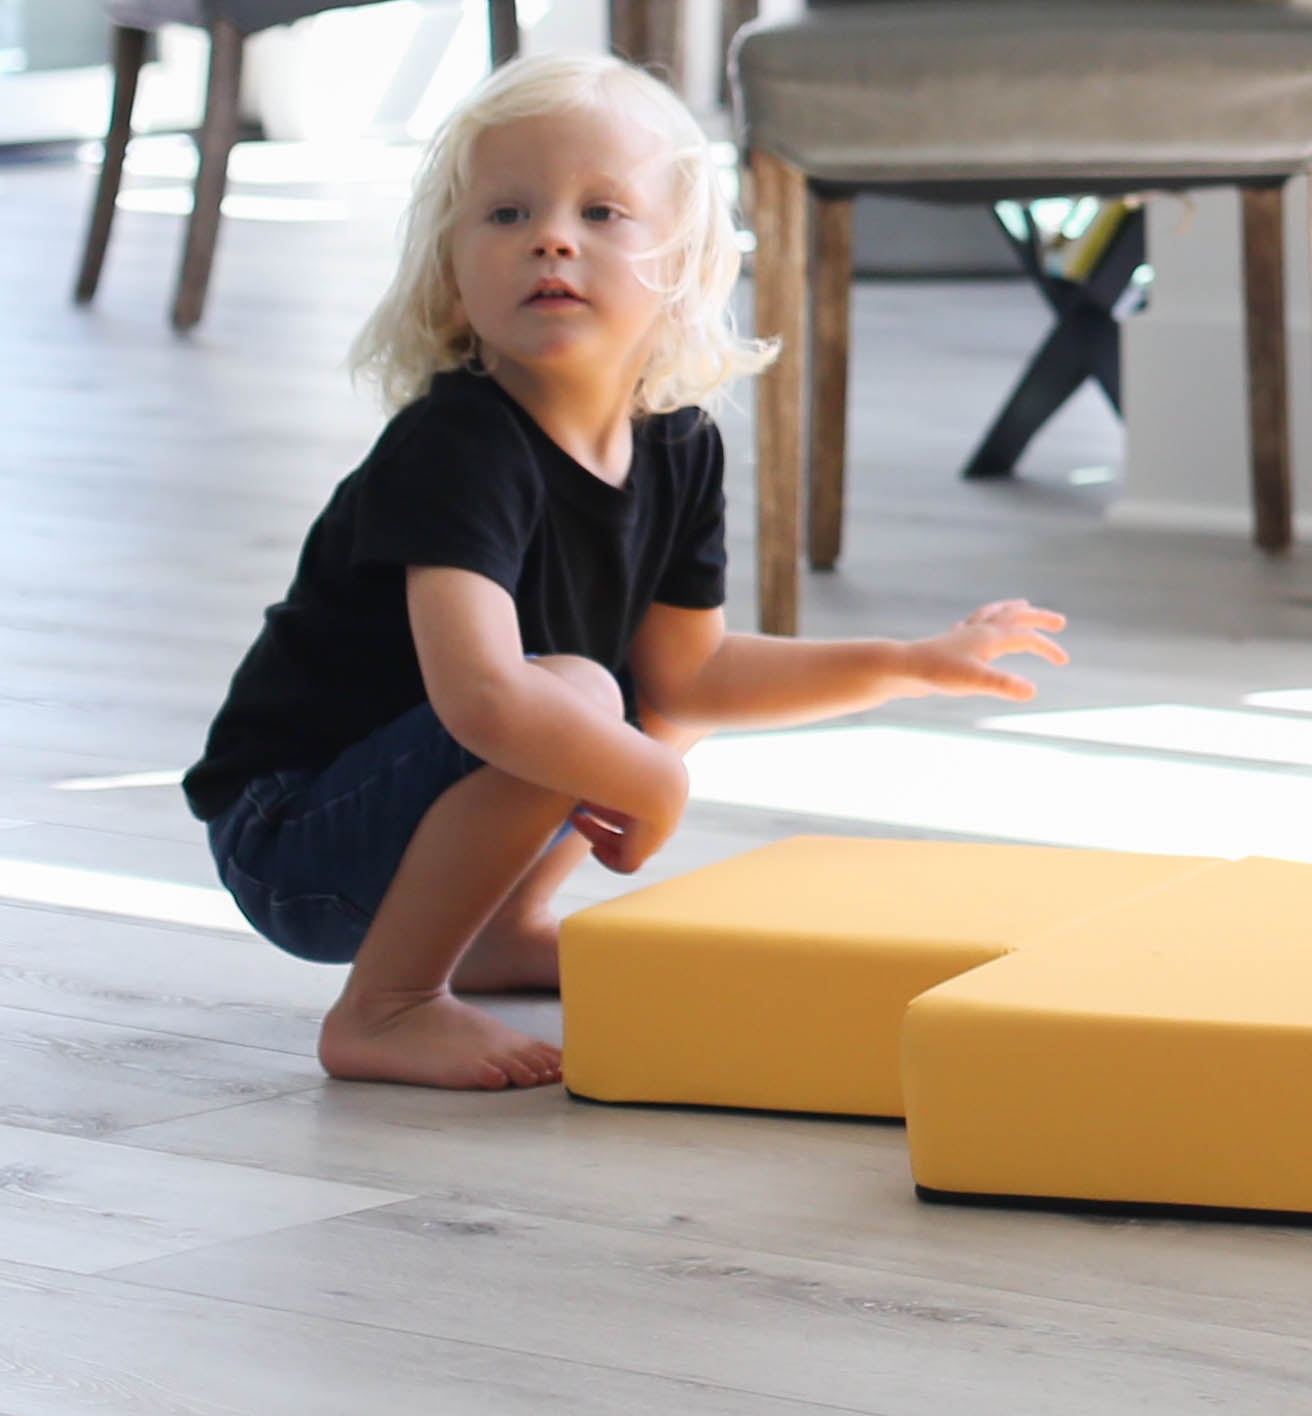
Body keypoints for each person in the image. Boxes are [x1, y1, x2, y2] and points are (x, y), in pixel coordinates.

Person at [185, 54, 1065, 1089]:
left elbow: (692, 678)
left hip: (413, 821)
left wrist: (909, 660)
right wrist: (651, 773)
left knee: (635, 693)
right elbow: (480, 699)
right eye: (508, 212)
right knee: (576, 693)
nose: (552, 236)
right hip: (293, 838)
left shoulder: (677, 441)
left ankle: (499, 928)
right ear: (452, 279)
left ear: (683, 269)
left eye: (603, 211)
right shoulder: (457, 443)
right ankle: (386, 1004)